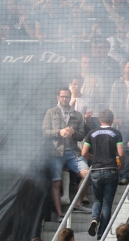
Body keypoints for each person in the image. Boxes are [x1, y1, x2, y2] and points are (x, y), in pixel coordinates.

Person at [43, 86, 90, 218]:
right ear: (58, 97)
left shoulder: (77, 115)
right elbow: (44, 132)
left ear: (70, 98)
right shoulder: (51, 112)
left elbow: (82, 135)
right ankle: (59, 214)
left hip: (73, 152)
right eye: (62, 96)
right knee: (56, 182)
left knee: (87, 175)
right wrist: (59, 132)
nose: (64, 99)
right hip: (56, 153)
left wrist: (74, 133)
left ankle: (78, 204)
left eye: (67, 96)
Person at [82, 109, 125, 239]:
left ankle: (95, 218)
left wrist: (93, 158)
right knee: (107, 203)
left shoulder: (92, 133)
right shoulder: (116, 133)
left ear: (99, 120)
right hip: (111, 170)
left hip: (95, 170)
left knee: (97, 199)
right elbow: (121, 153)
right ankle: (101, 234)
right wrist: (121, 165)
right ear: (112, 120)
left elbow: (83, 153)